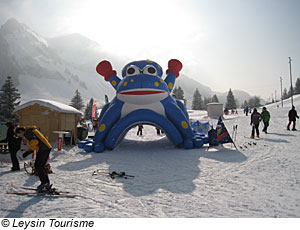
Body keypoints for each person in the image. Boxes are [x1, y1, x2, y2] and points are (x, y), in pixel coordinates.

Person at [16, 126, 52, 192]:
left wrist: (29, 151)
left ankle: (45, 182)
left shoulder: (28, 132)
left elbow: (35, 141)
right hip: (44, 148)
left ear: (21, 132)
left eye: (18, 134)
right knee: (39, 165)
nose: (19, 136)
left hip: (44, 148)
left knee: (38, 165)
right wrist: (30, 150)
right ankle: (45, 182)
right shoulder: (30, 131)